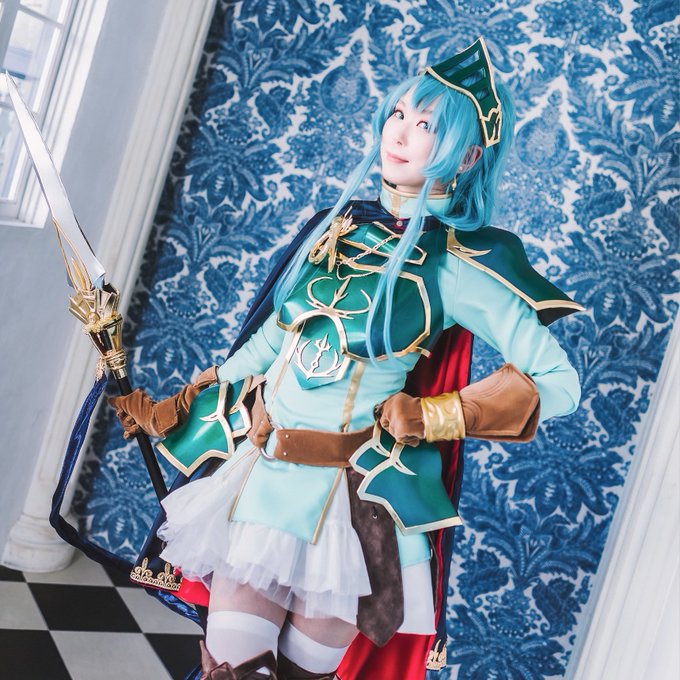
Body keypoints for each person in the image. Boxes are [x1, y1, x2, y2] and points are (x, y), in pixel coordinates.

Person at [110, 38, 582, 680]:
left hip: (352, 517)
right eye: (399, 114)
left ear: (468, 155)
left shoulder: (457, 266)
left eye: (427, 125)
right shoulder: (332, 227)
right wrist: (188, 398)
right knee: (230, 670)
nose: (401, 133)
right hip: (264, 482)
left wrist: (436, 415)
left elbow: (558, 383)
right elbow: (274, 341)